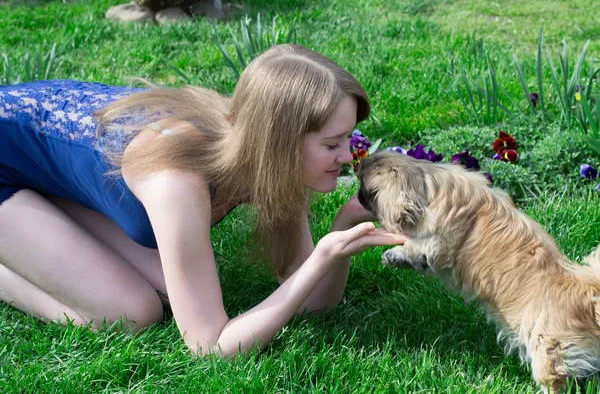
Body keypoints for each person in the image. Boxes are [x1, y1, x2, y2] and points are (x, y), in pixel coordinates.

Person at [0, 44, 405, 356]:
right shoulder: (177, 181)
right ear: (279, 144)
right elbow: (210, 346)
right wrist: (320, 258)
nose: (348, 155)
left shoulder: (262, 157)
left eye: (347, 138)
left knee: (163, 290)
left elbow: (312, 303)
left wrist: (341, 235)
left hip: (44, 171)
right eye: (332, 143)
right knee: (130, 313)